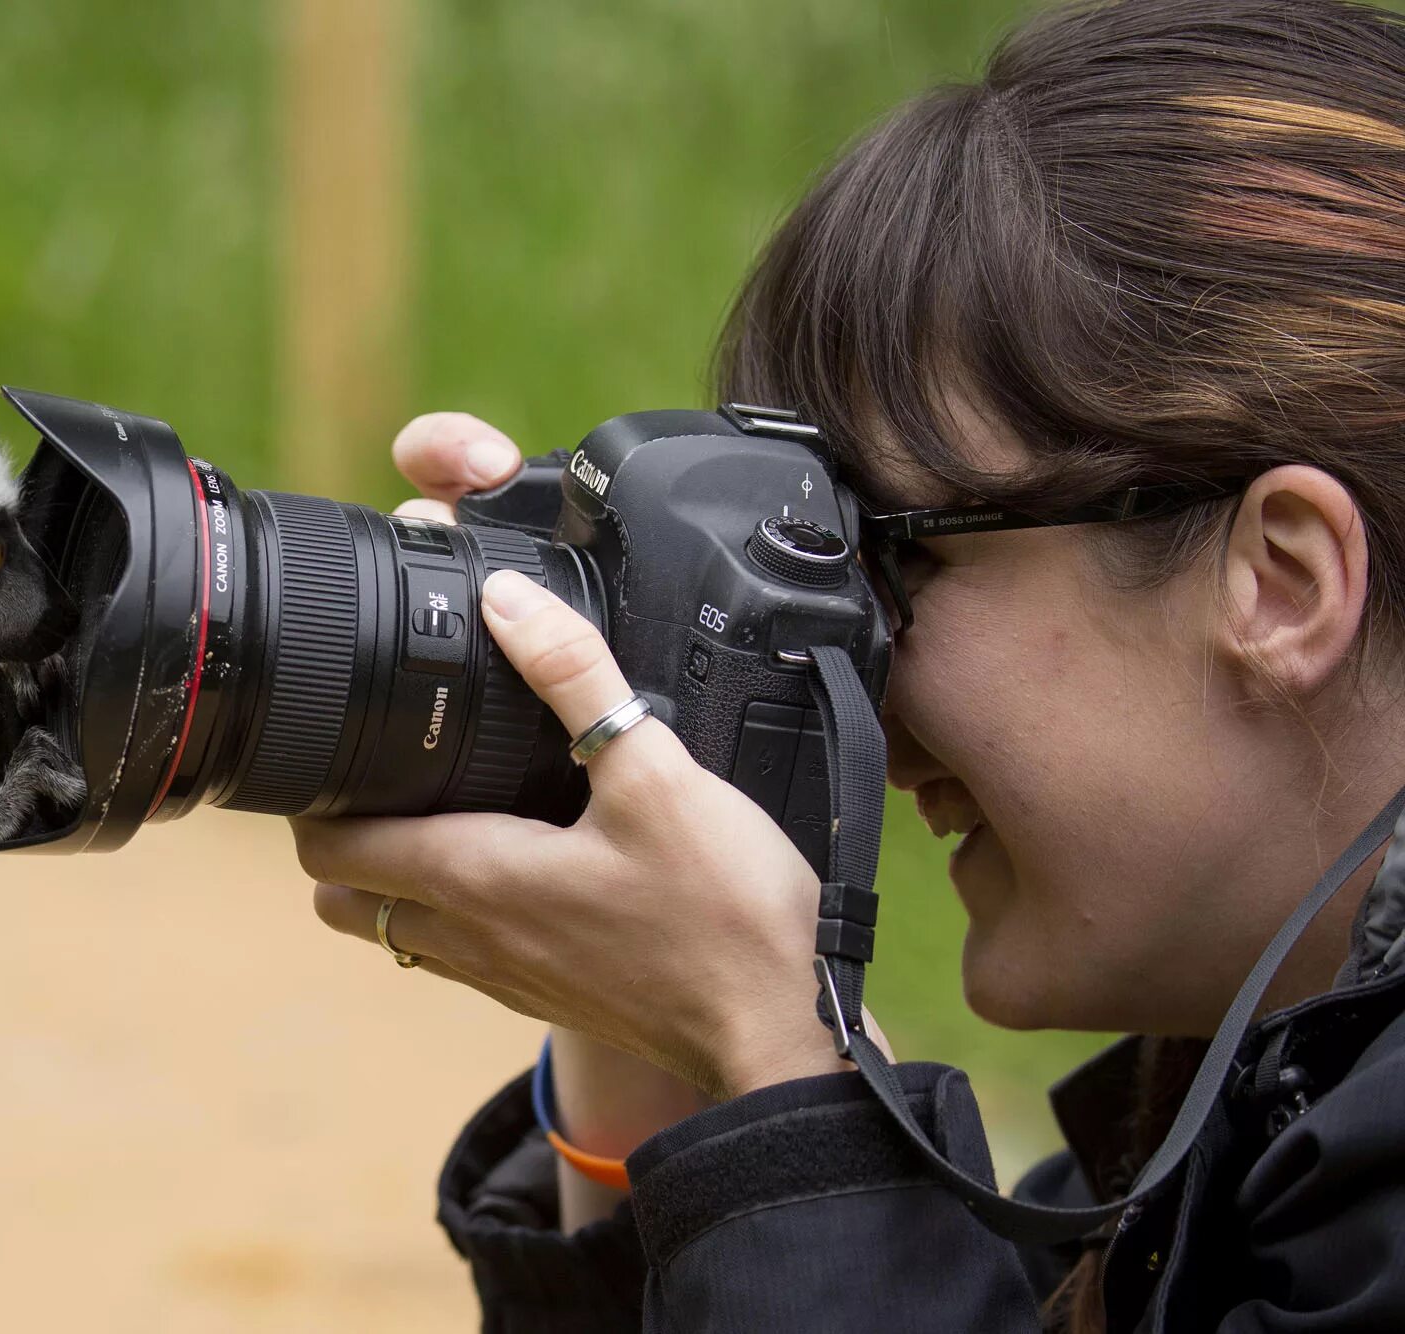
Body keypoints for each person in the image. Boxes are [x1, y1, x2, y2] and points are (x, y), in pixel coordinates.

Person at [289, 0, 1405, 1328]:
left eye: (887, 559)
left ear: (1281, 581)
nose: (854, 667)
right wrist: (663, 1046)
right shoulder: (1249, 1104)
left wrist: (785, 1070)